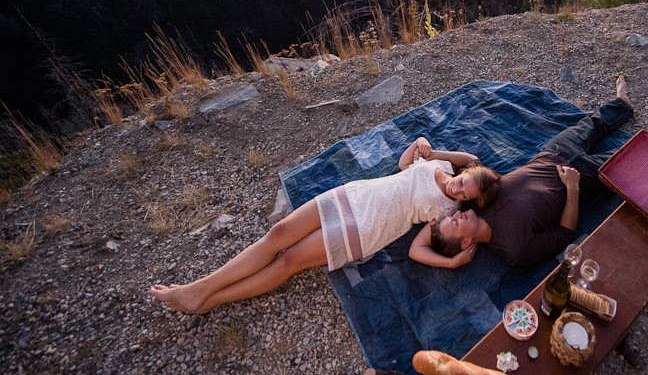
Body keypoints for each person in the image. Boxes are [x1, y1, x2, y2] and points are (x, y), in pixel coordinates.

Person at [149, 137, 501, 313]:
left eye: (465, 193)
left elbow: (417, 249)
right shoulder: (439, 166)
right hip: (355, 194)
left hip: (368, 226)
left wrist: (452, 261)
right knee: (278, 234)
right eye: (463, 180)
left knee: (288, 261)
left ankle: (206, 297)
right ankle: (201, 287)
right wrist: (426, 146)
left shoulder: (447, 212)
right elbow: (406, 162)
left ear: (467, 201)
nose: (458, 188)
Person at [410, 75, 633, 268]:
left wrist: (434, 154)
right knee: (633, 156)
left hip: (553, 152)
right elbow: (565, 235)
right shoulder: (516, 249)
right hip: (580, 179)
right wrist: (572, 188)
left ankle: (622, 102)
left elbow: (472, 163)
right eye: (456, 222)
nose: (456, 213)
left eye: (454, 216)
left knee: (592, 123)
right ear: (466, 242)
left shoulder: (475, 202)